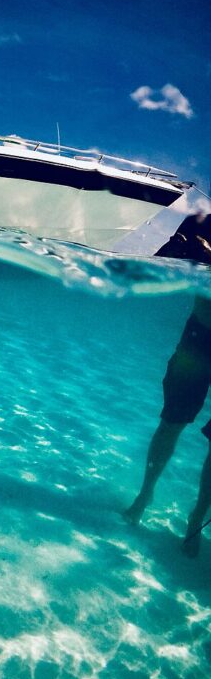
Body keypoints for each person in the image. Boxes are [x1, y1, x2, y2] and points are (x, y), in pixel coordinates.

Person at [123, 212, 211, 557]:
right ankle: (145, 494)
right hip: (199, 338)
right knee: (171, 421)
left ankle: (197, 518)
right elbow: (161, 260)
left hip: (197, 338)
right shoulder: (202, 221)